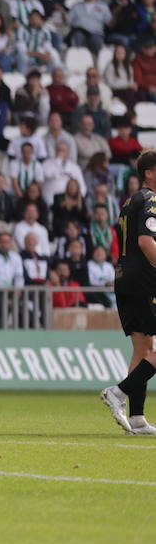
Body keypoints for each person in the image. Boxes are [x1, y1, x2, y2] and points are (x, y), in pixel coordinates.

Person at [99, 149, 156, 436]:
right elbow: (147, 242)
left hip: (124, 279)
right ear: (148, 172)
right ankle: (118, 393)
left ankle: (136, 417)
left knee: (143, 349)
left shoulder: (129, 201)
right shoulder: (150, 200)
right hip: (145, 280)